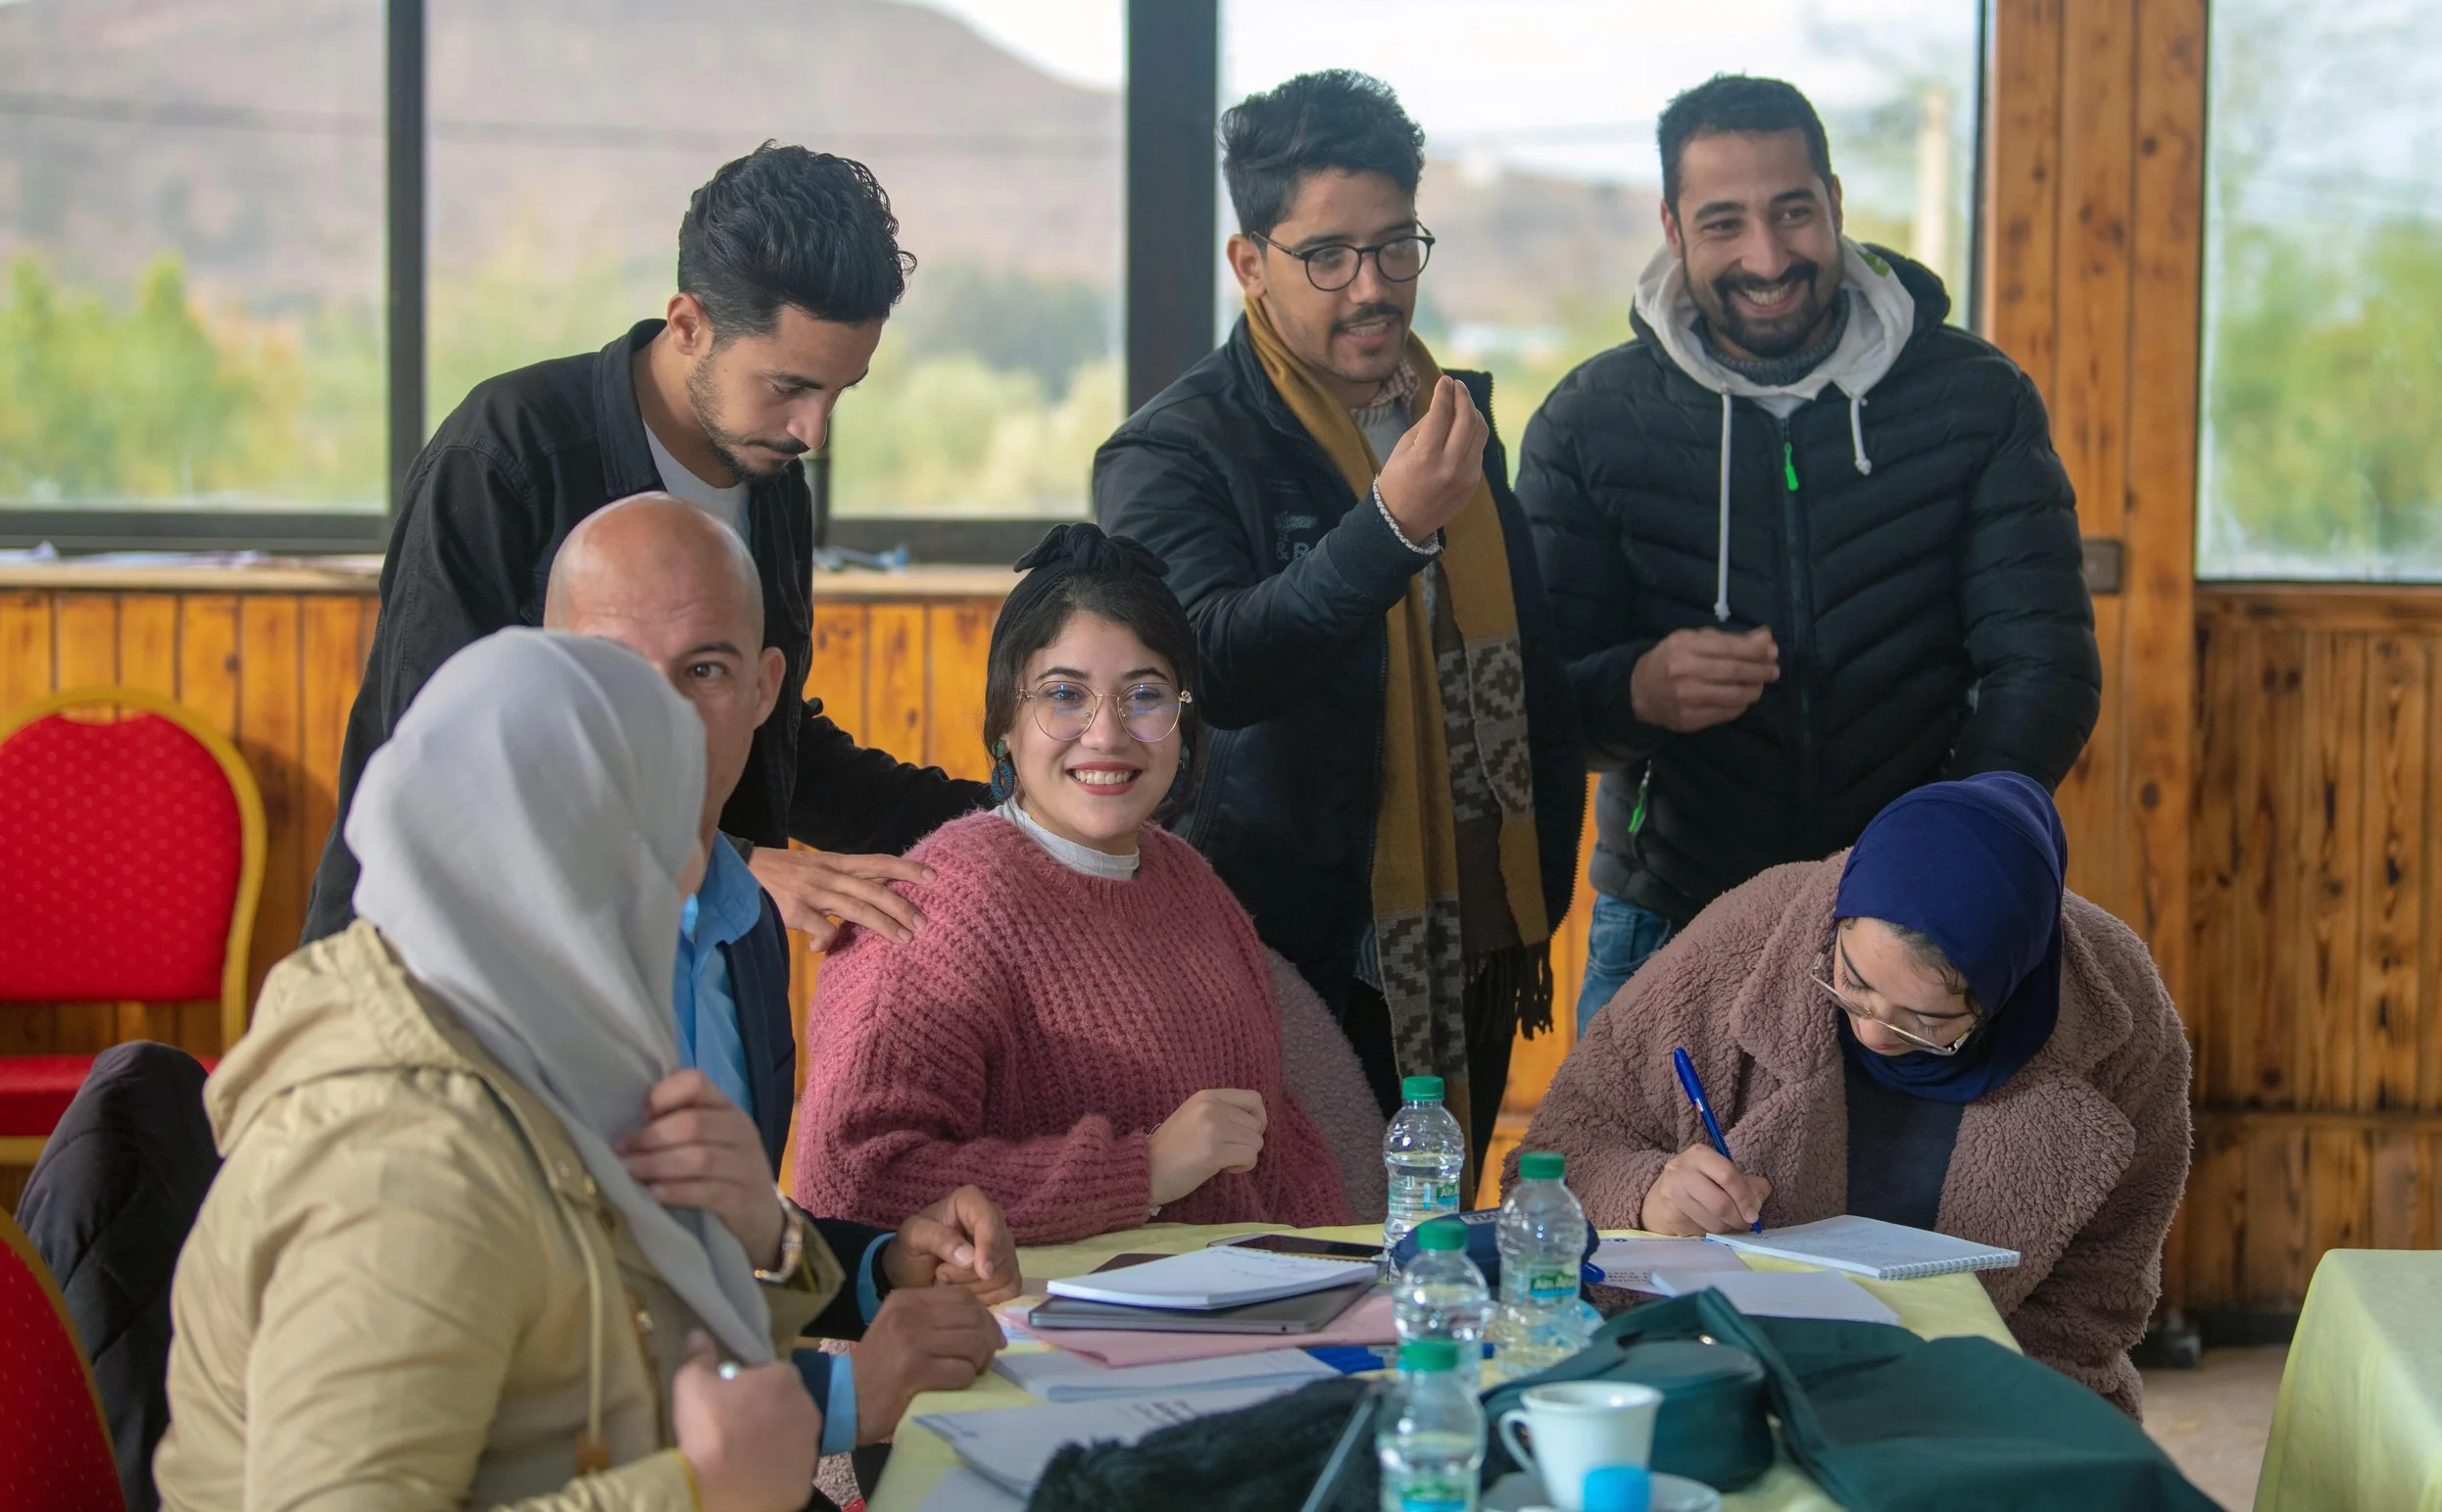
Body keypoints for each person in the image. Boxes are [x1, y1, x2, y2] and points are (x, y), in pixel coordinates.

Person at [159, 630, 1002, 1512]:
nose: (685, 885)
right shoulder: (398, 1161)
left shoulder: (527, 1036)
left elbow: (613, 1352)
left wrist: (768, 1241)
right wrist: (692, 1497)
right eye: (660, 842)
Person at [1516, 74, 2100, 1035]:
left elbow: (2047, 670)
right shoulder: (1589, 422)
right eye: (1723, 222)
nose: (1767, 255)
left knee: (1914, 1193)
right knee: (1635, 1181)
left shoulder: (1975, 396)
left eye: (1792, 212)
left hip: (1921, 922)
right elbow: (1535, 704)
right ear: (1671, 226)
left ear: (1834, 204)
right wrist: (1639, 690)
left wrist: (1928, 861)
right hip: (1669, 910)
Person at [304, 143, 992, 952]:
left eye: (841, 392)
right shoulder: (507, 453)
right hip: (442, 976)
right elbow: (440, 765)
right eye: (790, 387)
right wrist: (727, 864)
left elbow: (769, 745)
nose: (815, 432)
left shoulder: (772, 478)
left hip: (677, 980)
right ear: (688, 325)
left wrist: (1013, 820)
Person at [1094, 70, 1582, 1163]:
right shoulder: (1171, 452)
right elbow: (1209, 667)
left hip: (1472, 932)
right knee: (1298, 1259)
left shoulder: (1452, 418)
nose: (1370, 286)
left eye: (1395, 245)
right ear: (1249, 264)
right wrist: (1389, 530)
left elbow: (1527, 670)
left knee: (1434, 1256)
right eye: (1327, 255)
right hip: (1283, 946)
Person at [541, 492, 1019, 1462]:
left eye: (703, 669)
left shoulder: (740, 917)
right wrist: (842, 1399)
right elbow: (542, 1388)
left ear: (765, 691)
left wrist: (884, 1260)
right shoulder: (490, 960)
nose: (658, 714)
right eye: (612, 670)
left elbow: (712, 1247)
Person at [1518, 772, 2189, 1416]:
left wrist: (1969, 1399)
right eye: (1853, 983)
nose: (1871, 1031)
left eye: (1923, 1023)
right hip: (1718, 1369)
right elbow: (1556, 1152)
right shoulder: (1748, 943)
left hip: (1978, 1388)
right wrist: (1650, 1195)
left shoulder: (2117, 1025)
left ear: (2006, 993)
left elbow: (2097, 1295)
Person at [792, 525, 1356, 1244]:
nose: (1107, 734)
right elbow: (854, 1185)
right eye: (1065, 695)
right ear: (1004, 722)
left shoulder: (1192, 883)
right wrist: (1141, 1171)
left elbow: (1276, 1153)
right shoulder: (933, 911)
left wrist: (1344, 1288)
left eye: (1145, 695)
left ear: (1183, 722)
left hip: (1240, 1332)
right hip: (1013, 1344)